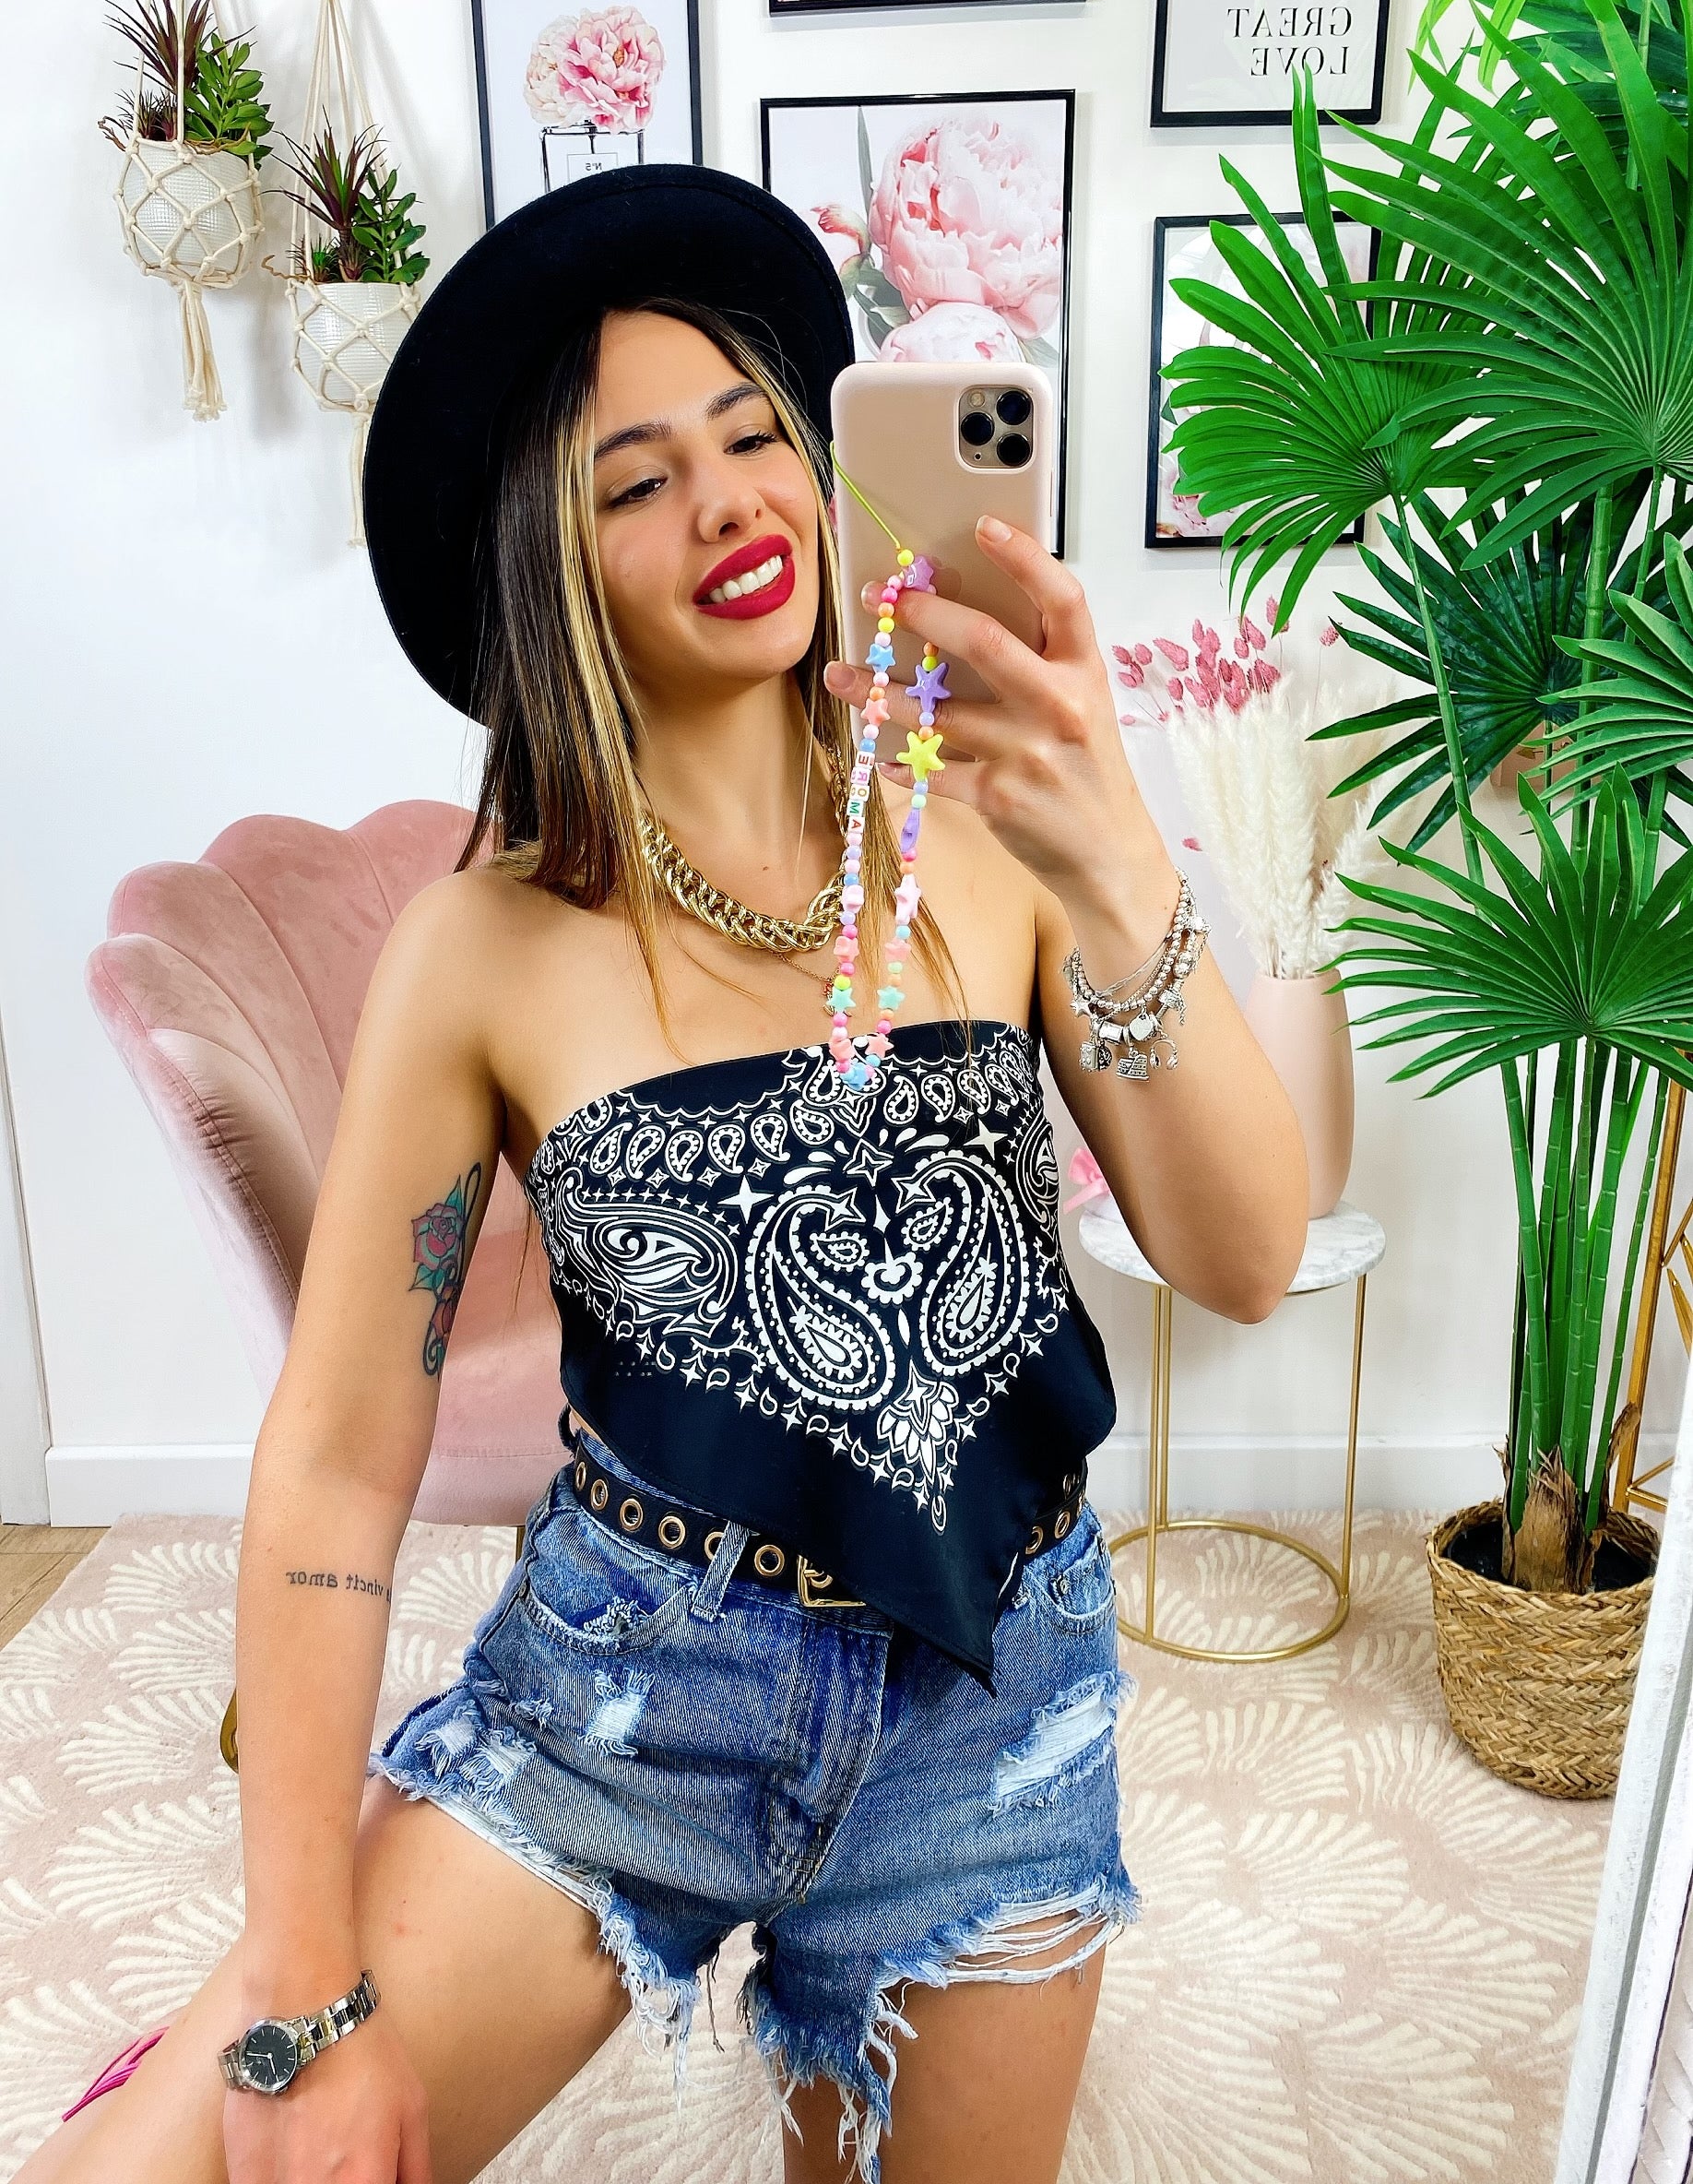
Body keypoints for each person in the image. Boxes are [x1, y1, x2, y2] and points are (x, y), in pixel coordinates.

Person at [24, 165, 1306, 2184]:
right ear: (551, 570)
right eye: (635, 480)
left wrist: (1120, 850)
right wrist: (299, 1977)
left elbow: (1244, 1255)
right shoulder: (483, 947)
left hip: (998, 1709)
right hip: (628, 1696)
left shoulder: (997, 833)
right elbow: (338, 1463)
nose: (726, 503)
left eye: (752, 435)